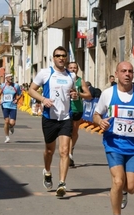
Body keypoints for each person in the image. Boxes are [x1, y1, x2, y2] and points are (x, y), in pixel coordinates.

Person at [93, 61, 134, 215]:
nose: (127, 74)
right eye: (124, 71)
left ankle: (123, 193)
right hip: (113, 144)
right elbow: (96, 114)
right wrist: (100, 121)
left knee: (131, 187)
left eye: (130, 71)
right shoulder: (108, 94)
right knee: (118, 181)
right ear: (117, 73)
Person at [28, 46, 78, 197]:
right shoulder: (45, 73)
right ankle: (47, 171)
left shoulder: (71, 75)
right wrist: (43, 99)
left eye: (63, 55)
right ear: (53, 58)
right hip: (49, 118)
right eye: (58, 55)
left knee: (64, 151)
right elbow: (31, 89)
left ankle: (62, 183)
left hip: (65, 118)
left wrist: (75, 95)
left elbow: (73, 91)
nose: (61, 58)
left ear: (66, 58)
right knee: (49, 150)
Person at [67, 62, 92, 167]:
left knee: (74, 132)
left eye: (75, 68)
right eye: (71, 68)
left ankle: (70, 150)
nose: (73, 69)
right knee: (66, 132)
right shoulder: (64, 79)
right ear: (67, 69)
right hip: (65, 110)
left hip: (77, 109)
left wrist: (79, 94)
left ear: (77, 69)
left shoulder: (80, 81)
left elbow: (89, 95)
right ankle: (67, 154)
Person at [0, 74, 22, 143]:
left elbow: (20, 93)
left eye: (12, 77)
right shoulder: (3, 86)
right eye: (10, 77)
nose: (11, 78)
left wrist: (17, 100)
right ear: (6, 78)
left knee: (12, 122)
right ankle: (7, 137)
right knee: (6, 121)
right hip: (5, 105)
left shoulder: (16, 86)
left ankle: (11, 127)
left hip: (13, 106)